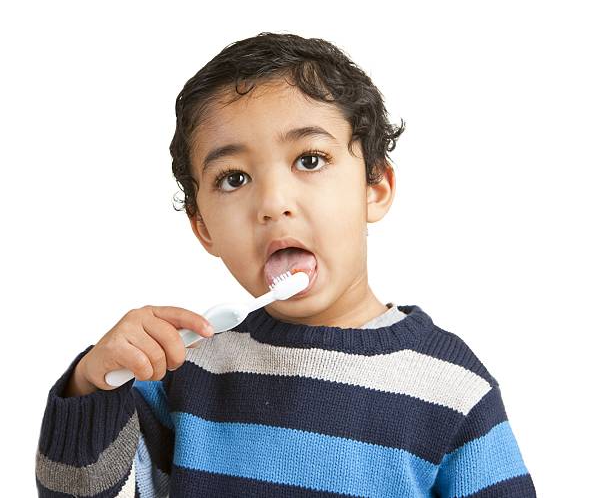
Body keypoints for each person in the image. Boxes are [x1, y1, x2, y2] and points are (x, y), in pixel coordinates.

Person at [35, 32, 536, 497]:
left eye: (310, 160)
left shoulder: (452, 387)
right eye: (233, 178)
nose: (273, 202)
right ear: (204, 227)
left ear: (375, 188)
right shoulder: (182, 372)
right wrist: (92, 384)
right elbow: (71, 491)